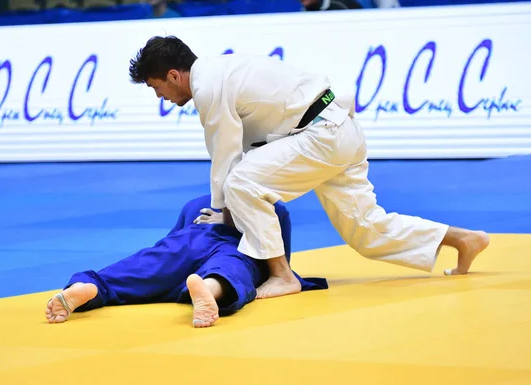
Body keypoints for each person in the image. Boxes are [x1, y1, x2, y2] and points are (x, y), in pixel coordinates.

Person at [128, 36, 490, 299]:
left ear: (174, 75)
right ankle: (462, 239)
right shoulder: (223, 69)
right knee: (365, 230)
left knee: (242, 183)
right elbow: (246, 143)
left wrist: (223, 212)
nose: (160, 97)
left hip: (321, 134)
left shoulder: (208, 86)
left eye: (156, 87)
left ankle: (283, 277)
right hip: (338, 129)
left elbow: (224, 157)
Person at [45, 194, 328, 327]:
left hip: (190, 239)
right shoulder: (273, 206)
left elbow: (169, 244)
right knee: (230, 271)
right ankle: (209, 290)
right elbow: (278, 257)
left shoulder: (196, 203)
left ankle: (92, 287)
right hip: (239, 248)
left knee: (147, 266)